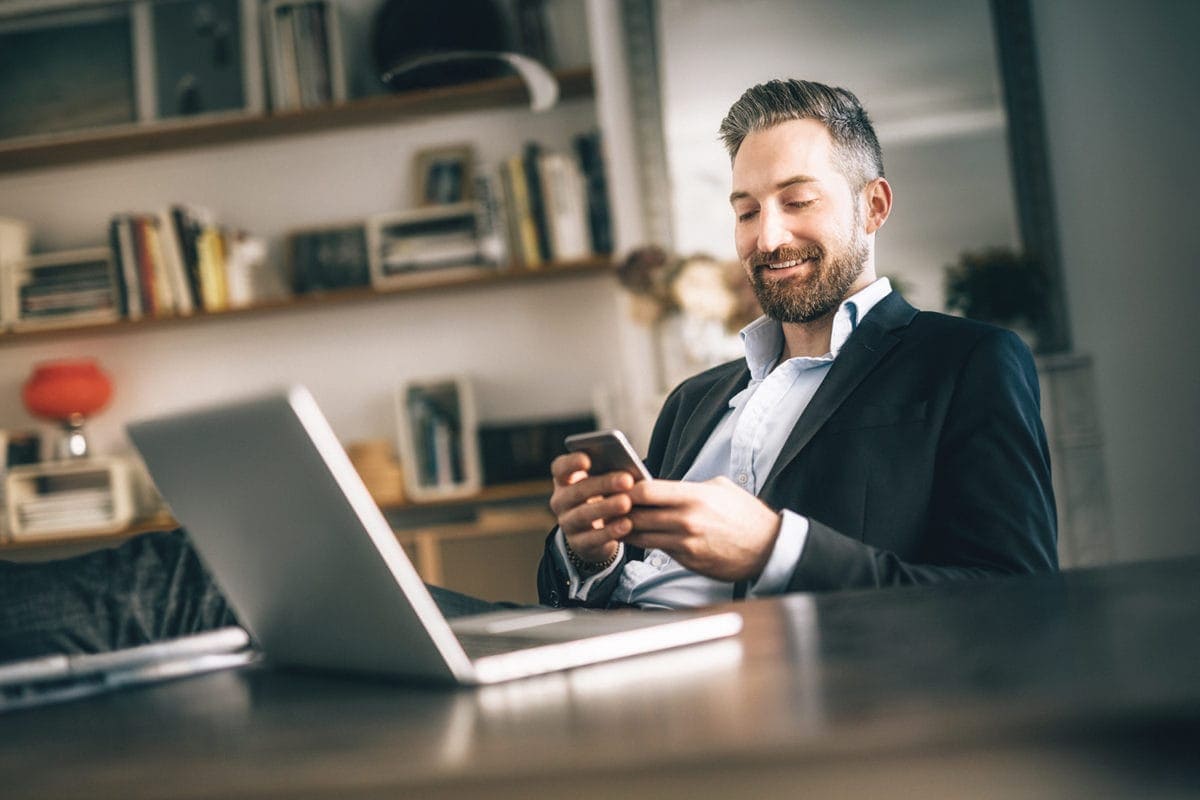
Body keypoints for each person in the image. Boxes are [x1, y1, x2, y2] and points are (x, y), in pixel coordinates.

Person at [536, 78, 1057, 609]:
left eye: (798, 201)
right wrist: (589, 554)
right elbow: (593, 590)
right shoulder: (692, 401)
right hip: (607, 654)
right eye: (747, 212)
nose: (767, 239)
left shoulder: (968, 363)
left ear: (873, 207)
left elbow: (1018, 598)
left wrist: (774, 551)